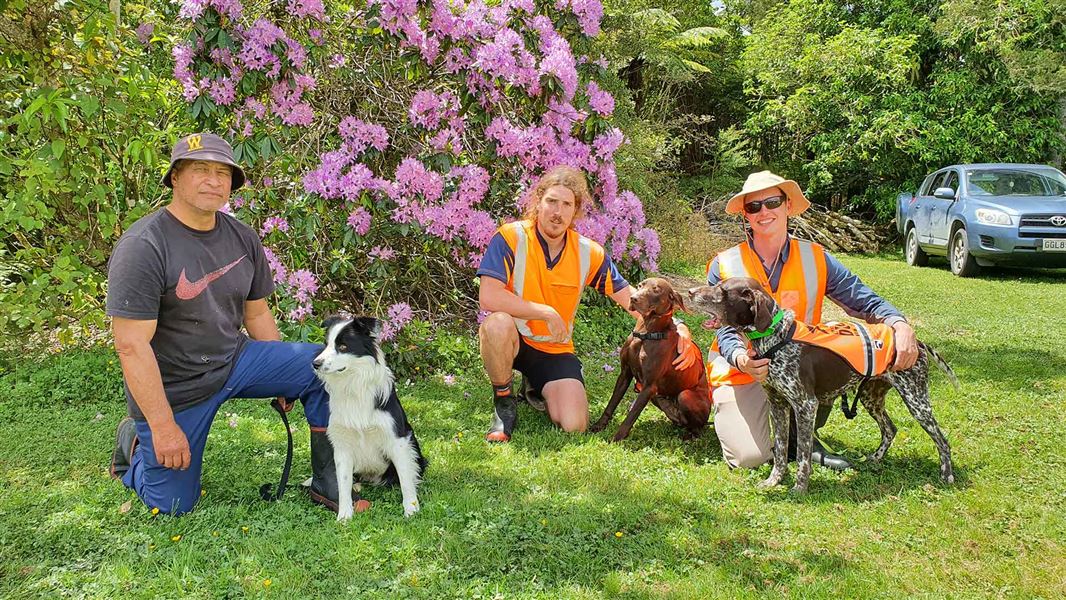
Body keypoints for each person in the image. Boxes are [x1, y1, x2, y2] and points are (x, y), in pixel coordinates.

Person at [106, 133, 348, 515]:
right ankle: (134, 447)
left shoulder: (241, 236)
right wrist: (164, 426)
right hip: (177, 387)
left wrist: (286, 381)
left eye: (223, 173)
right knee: (170, 505)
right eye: (200, 169)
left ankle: (330, 484)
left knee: (325, 367)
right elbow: (131, 345)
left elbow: (256, 313)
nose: (214, 181)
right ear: (174, 178)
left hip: (234, 361)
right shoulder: (144, 245)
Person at [705, 171, 918, 470]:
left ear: (788, 206)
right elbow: (726, 331)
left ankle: (798, 436)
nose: (764, 212)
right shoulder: (724, 264)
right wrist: (741, 359)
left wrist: (899, 323)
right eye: (754, 207)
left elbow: (864, 300)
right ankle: (747, 417)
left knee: (835, 341)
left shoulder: (816, 258)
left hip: (800, 369)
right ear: (745, 215)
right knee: (749, 457)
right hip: (741, 370)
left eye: (772, 202)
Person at [475, 166, 700, 442]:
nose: (557, 212)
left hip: (553, 349)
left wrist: (679, 328)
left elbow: (630, 299)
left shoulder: (588, 252)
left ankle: (536, 385)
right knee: (496, 323)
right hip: (514, 339)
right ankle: (504, 405)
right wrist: (544, 312)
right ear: (538, 201)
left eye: (566, 204)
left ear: (576, 210)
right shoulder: (511, 237)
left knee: (575, 424)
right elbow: (489, 296)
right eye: (552, 202)